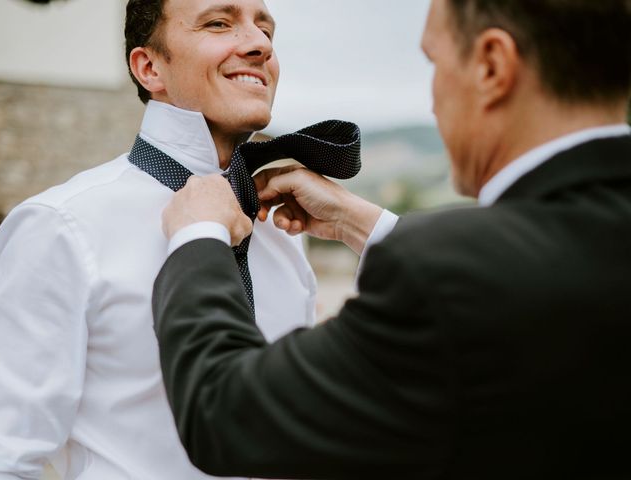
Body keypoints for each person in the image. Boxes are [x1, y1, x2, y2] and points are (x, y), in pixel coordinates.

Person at [152, 0, 631, 478]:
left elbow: (227, 414)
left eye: (436, 64)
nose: (432, 101)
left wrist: (199, 236)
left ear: (491, 66)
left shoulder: (438, 274)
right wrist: (363, 224)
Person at [0, 0, 317, 478]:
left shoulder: (282, 228)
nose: (259, 44)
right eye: (219, 23)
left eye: (265, 28)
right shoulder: (59, 226)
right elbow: (5, 454)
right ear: (149, 67)